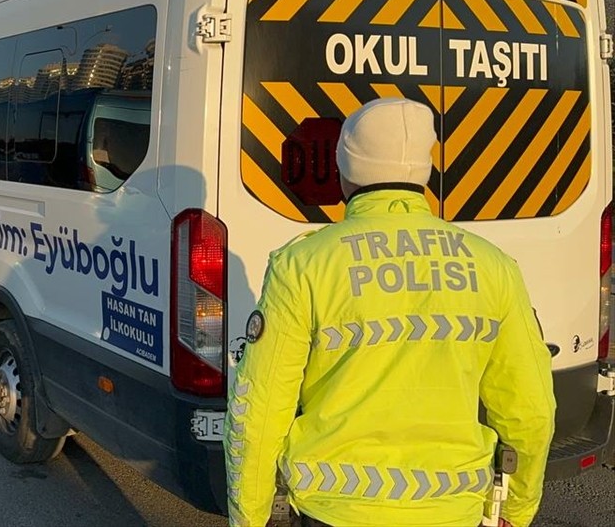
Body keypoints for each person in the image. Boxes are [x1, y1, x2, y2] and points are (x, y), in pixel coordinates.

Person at [225, 98, 554, 527]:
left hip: (334, 511)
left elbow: (260, 414)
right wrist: (517, 509)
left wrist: (248, 518)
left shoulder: (303, 266)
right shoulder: (493, 266)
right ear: (425, 172)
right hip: (453, 510)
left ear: (345, 172)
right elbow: (533, 411)